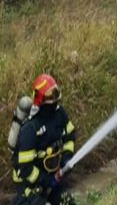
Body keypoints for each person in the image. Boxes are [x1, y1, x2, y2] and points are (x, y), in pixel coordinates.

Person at [11, 74, 75, 205]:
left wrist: (67, 157)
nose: (55, 101)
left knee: (67, 202)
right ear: (40, 100)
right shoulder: (30, 129)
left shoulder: (59, 114)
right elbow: (25, 169)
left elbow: (70, 135)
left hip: (51, 176)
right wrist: (45, 180)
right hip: (28, 183)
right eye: (51, 97)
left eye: (56, 95)